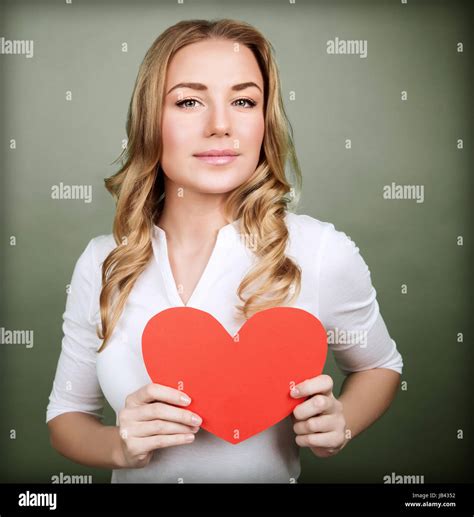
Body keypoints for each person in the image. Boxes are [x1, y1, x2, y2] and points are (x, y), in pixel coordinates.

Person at [46, 18, 403, 483]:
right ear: (150, 119)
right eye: (189, 101)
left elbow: (380, 365)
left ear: (264, 120)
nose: (220, 126)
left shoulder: (319, 251)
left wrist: (343, 424)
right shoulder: (102, 261)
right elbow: (67, 417)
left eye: (243, 101)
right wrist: (120, 447)